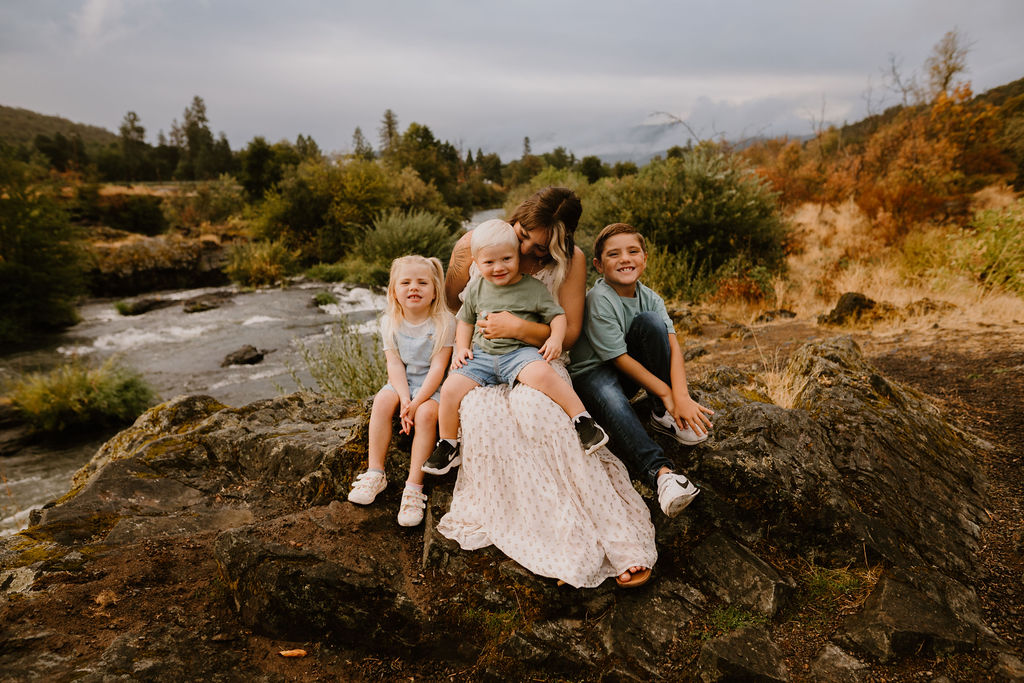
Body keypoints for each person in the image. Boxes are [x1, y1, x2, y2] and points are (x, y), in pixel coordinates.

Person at [436, 187, 657, 588]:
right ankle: (555, 540)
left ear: (559, 243)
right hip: (485, 359)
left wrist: (519, 327)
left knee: (537, 411)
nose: (524, 249)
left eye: (538, 248)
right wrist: (462, 255)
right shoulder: (487, 241)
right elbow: (455, 303)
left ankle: (618, 539)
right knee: (483, 417)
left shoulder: (570, 261)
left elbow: (567, 334)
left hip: (539, 355)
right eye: (522, 235)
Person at [421, 219, 608, 476]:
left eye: (506, 259)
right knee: (451, 388)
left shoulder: (532, 288)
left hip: (519, 353)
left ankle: (583, 421)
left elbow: (557, 316)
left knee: (544, 375)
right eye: (489, 262)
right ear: (476, 263)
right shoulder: (476, 288)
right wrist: (462, 348)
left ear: (518, 257)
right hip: (483, 355)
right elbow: (465, 320)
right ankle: (448, 444)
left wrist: (555, 339)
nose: (499, 267)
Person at [569, 223, 714, 518]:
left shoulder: (650, 298)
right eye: (613, 254)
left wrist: (680, 397)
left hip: (627, 374)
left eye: (633, 251)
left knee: (651, 323)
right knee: (612, 399)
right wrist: (666, 391)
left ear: (645, 259)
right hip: (592, 376)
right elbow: (618, 359)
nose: (625, 259)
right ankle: (662, 475)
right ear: (598, 265)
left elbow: (673, 347)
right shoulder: (599, 299)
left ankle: (662, 414)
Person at [347, 255, 455, 527]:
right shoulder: (390, 321)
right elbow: (394, 364)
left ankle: (413, 487)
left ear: (435, 291)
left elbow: (438, 368)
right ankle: (375, 473)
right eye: (405, 282)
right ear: (394, 291)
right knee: (383, 400)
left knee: (426, 415)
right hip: (404, 382)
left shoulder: (444, 322)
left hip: (435, 386)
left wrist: (416, 404)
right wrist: (405, 399)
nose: (413, 287)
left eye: (422, 283)